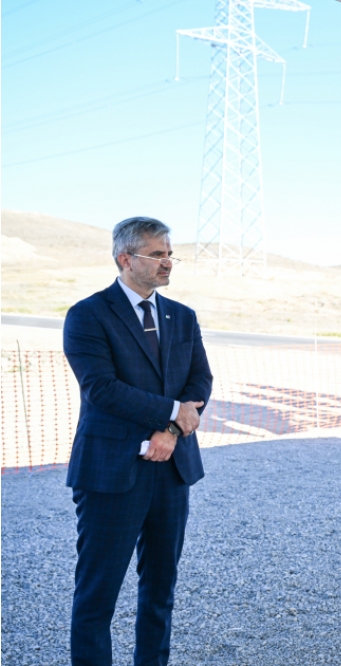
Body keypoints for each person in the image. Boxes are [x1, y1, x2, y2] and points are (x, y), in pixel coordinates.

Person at [63, 217, 213, 666]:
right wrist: (170, 413)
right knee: (97, 596)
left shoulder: (182, 316)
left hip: (172, 471)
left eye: (170, 254)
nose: (168, 262)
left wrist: (171, 432)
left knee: (160, 591)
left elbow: (199, 381)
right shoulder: (88, 315)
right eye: (157, 254)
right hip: (111, 473)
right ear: (125, 259)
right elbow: (102, 389)